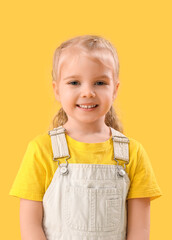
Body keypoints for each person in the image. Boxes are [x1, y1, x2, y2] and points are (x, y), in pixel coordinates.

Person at [9, 34, 162, 240]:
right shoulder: (41, 149)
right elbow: (30, 227)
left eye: (99, 82)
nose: (88, 92)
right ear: (57, 90)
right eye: (74, 82)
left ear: (115, 89)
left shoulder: (133, 153)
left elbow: (139, 231)